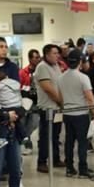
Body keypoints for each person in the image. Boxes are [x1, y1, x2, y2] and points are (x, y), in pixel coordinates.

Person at [57, 49, 94, 179]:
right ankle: (83, 168)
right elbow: (90, 98)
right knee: (82, 142)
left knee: (69, 142)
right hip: (81, 114)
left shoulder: (61, 77)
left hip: (67, 114)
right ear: (80, 62)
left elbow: (60, 97)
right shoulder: (83, 78)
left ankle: (69, 168)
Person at [33, 43, 65, 173]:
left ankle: (55, 159)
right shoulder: (42, 67)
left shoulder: (56, 66)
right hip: (47, 107)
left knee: (56, 136)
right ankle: (42, 162)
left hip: (57, 108)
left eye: (58, 53)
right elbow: (48, 88)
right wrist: (60, 101)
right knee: (46, 136)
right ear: (47, 55)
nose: (57, 56)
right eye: (54, 53)